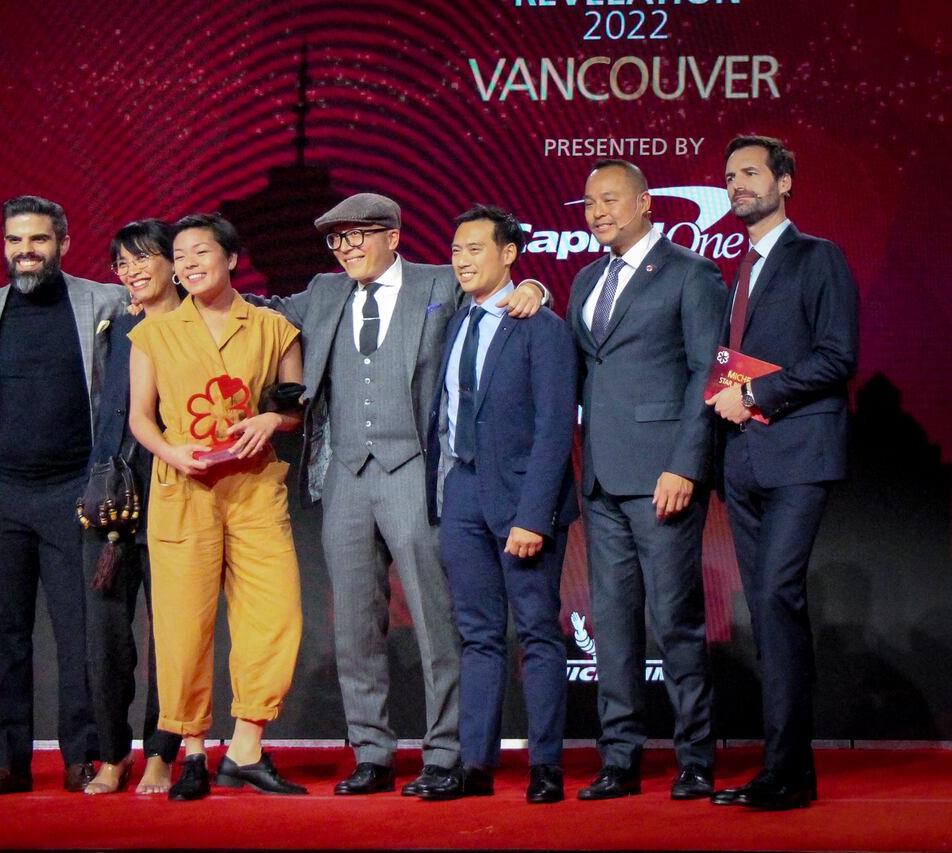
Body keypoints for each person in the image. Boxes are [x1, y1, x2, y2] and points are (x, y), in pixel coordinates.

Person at [252, 192, 549, 797]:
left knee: (437, 616)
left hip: (416, 467)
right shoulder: (324, 292)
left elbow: (495, 284)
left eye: (359, 235)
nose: (347, 249)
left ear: (394, 235)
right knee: (355, 623)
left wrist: (536, 289)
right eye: (337, 240)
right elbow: (258, 314)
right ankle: (372, 752)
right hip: (346, 474)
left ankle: (445, 752)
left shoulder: (440, 281)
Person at [127, 213, 306, 800]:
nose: (187, 265)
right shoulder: (152, 333)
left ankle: (248, 747)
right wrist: (172, 454)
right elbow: (140, 419)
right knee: (183, 626)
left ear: (231, 258)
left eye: (200, 252)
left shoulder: (275, 328)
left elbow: (293, 407)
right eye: (178, 257)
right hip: (183, 491)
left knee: (274, 615)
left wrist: (270, 419)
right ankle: (195, 751)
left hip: (254, 488)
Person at [566, 160, 726, 801]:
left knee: (677, 620)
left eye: (609, 199)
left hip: (664, 474)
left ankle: (695, 758)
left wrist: (686, 464)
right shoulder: (583, 280)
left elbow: (705, 376)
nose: (597, 211)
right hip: (602, 478)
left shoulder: (691, 274)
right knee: (611, 622)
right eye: (587, 203)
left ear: (645, 203)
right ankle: (619, 757)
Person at [0, 196, 127, 796]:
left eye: (38, 240)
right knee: (2, 632)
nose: (25, 251)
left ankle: (83, 756)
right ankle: (8, 761)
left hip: (73, 492)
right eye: (14, 241)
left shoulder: (105, 302)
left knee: (79, 633)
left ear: (63, 243)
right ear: (3, 246)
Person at [707, 135, 858, 810]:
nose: (737, 184)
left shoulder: (818, 257)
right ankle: (784, 765)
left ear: (785, 182)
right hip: (743, 462)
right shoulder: (736, 269)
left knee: (775, 598)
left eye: (750, 173)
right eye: (730, 176)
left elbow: (837, 356)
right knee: (768, 614)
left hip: (799, 453)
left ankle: (788, 769)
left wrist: (757, 396)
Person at [419, 205, 578, 802]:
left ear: (509, 254)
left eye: (476, 249)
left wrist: (533, 515)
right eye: (456, 249)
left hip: (521, 499)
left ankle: (545, 766)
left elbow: (555, 429)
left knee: (537, 630)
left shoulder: (542, 326)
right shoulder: (456, 319)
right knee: (478, 635)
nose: (462, 259)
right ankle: (476, 765)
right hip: (460, 492)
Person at [81, 219, 184, 795]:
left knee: (171, 637)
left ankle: (163, 754)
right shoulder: (112, 326)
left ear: (174, 262)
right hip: (110, 505)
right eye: (122, 263)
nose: (133, 271)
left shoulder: (200, 324)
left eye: (144, 258)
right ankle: (112, 756)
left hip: (175, 495)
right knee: (107, 642)